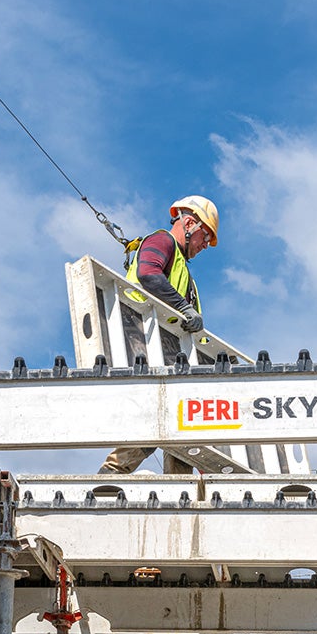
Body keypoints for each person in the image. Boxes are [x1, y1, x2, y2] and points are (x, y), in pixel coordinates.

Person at [99, 195, 219, 475]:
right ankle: (111, 474)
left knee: (183, 434)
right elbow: (148, 274)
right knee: (160, 422)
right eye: (205, 236)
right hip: (142, 344)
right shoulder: (161, 241)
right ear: (189, 223)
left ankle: (181, 496)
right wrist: (185, 308)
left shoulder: (183, 271)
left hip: (169, 357)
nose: (204, 245)